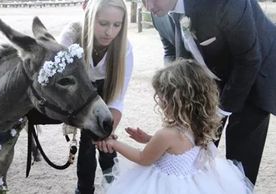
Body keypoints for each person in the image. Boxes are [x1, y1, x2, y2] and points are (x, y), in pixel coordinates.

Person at [143, 0, 276, 185]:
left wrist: (219, 112)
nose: (147, 6)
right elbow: (171, 52)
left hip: (254, 73)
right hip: (209, 83)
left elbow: (249, 59)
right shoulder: (159, 15)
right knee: (193, 151)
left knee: (241, 161)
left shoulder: (222, 3)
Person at [96, 60, 254, 194]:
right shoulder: (197, 123)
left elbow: (143, 158)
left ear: (178, 100)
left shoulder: (166, 134)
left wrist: (114, 143)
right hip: (193, 183)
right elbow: (179, 149)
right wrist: (149, 139)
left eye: (162, 97)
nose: (159, 101)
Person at [58, 0, 134, 193]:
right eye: (103, 23)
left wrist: (107, 130)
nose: (109, 32)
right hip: (78, 92)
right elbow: (59, 80)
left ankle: (112, 186)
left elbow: (117, 98)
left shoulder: (124, 48)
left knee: (106, 141)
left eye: (117, 25)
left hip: (106, 90)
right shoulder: (71, 35)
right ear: (90, 18)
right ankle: (86, 188)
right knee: (86, 140)